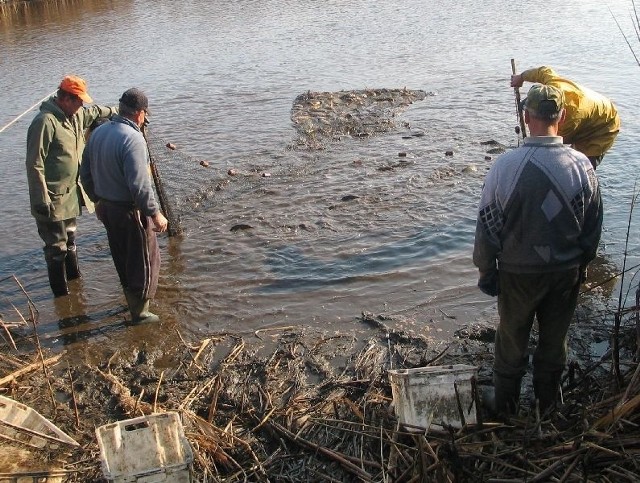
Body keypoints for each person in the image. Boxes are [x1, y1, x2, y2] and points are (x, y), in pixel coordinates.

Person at [473, 84, 603, 415]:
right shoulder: (582, 166)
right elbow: (592, 229)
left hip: (517, 274)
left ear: (526, 115)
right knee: (554, 340)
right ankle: (548, 404)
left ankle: (505, 406)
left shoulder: (505, 166)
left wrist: (487, 270)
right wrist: (581, 265)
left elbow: (488, 228)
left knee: (511, 339)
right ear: (562, 116)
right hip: (564, 273)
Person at [80, 88, 168, 324]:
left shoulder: (98, 132)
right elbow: (139, 185)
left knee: (122, 256)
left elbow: (85, 173)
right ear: (140, 114)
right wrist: (155, 214)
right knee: (146, 260)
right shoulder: (133, 138)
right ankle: (140, 313)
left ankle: (132, 304)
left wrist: (97, 200)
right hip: (130, 211)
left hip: (107, 209)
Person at [26, 75, 118, 297]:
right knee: (56, 248)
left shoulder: (75, 116)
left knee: (71, 239)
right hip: (52, 199)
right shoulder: (45, 122)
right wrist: (41, 199)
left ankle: (75, 289)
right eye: (79, 101)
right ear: (65, 98)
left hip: (71, 196)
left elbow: (96, 112)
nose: (82, 105)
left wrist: (120, 111)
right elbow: (34, 163)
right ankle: (62, 298)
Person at [511, 66, 620, 170]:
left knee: (580, 167)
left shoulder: (568, 123)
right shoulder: (553, 86)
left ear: (561, 116)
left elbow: (549, 147)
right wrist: (521, 77)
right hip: (592, 108)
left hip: (603, 126)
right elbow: (543, 71)